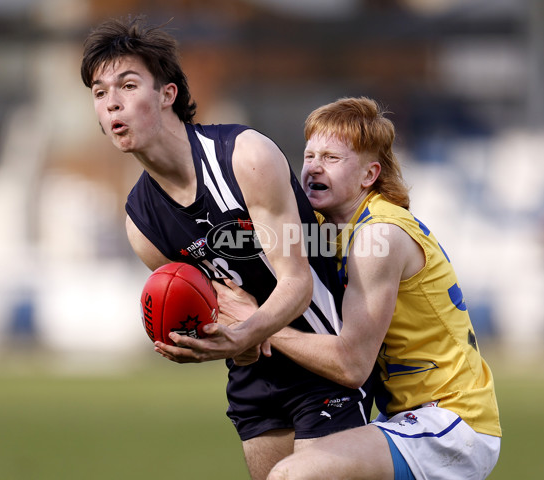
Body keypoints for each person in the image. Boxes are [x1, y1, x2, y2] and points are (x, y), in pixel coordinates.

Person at [80, 17, 374, 480]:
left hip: (322, 353)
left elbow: (296, 283)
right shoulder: (142, 224)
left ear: (167, 94)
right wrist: (203, 340)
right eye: (99, 93)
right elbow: (216, 309)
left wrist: (245, 332)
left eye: (128, 85)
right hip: (255, 380)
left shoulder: (243, 157)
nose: (112, 102)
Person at [211, 97, 502, 480]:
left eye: (332, 157)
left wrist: (258, 324)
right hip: (406, 420)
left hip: (450, 423)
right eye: (310, 154)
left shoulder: (378, 236)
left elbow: (351, 364)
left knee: (292, 475)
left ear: (369, 175)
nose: (314, 166)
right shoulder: (325, 227)